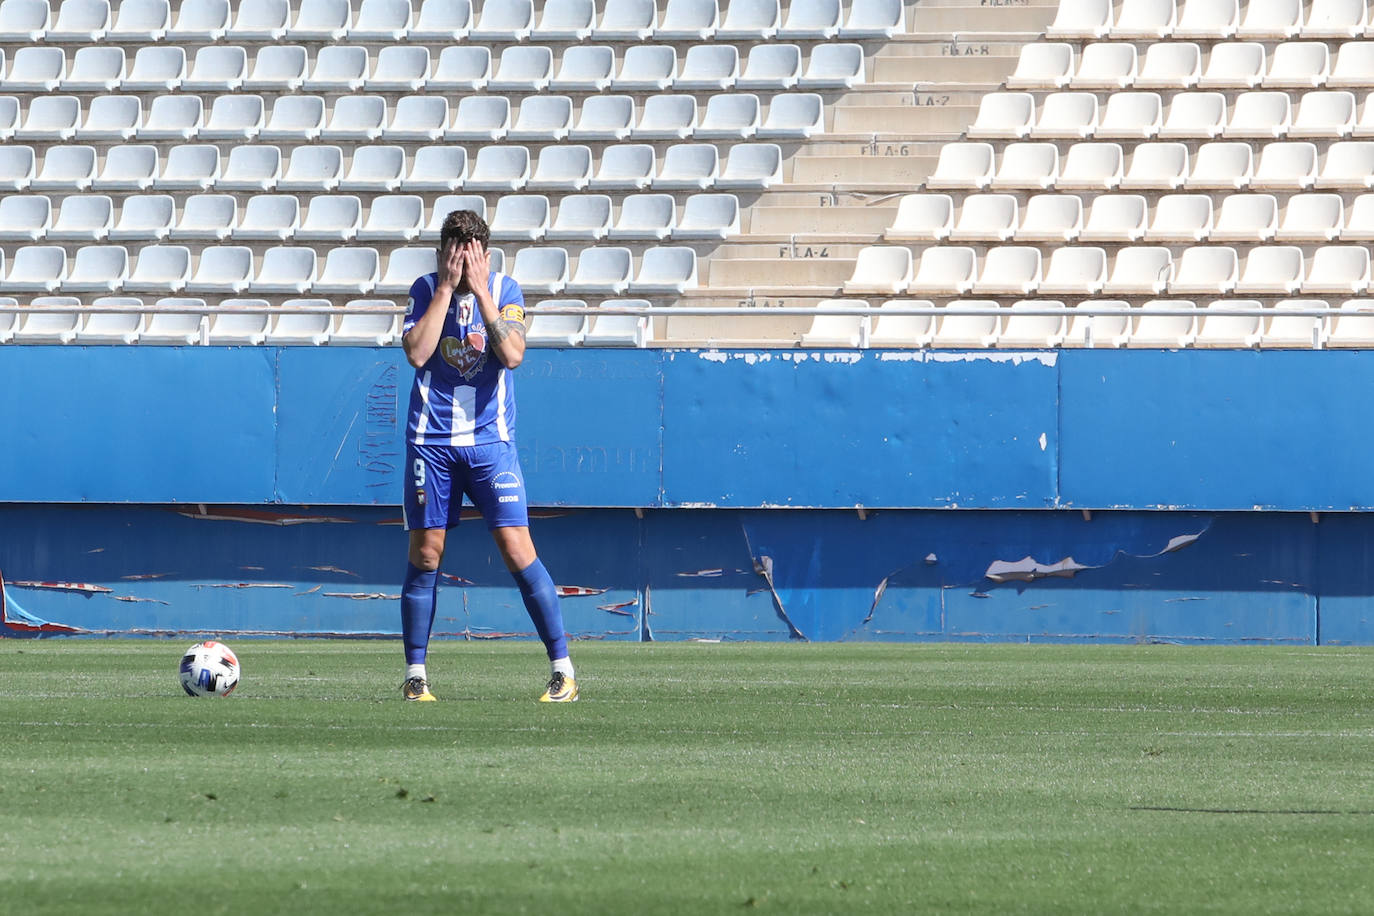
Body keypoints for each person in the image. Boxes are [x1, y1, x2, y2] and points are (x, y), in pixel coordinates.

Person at [397, 209, 577, 703]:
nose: (460, 264)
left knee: (517, 549)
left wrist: (480, 293)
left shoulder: (505, 290)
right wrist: (443, 291)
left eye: (469, 256)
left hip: (490, 442)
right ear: (440, 254)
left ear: (485, 255)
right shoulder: (424, 287)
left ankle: (563, 668)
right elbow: (416, 353)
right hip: (431, 441)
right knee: (427, 552)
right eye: (452, 255)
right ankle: (416, 674)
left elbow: (514, 354)